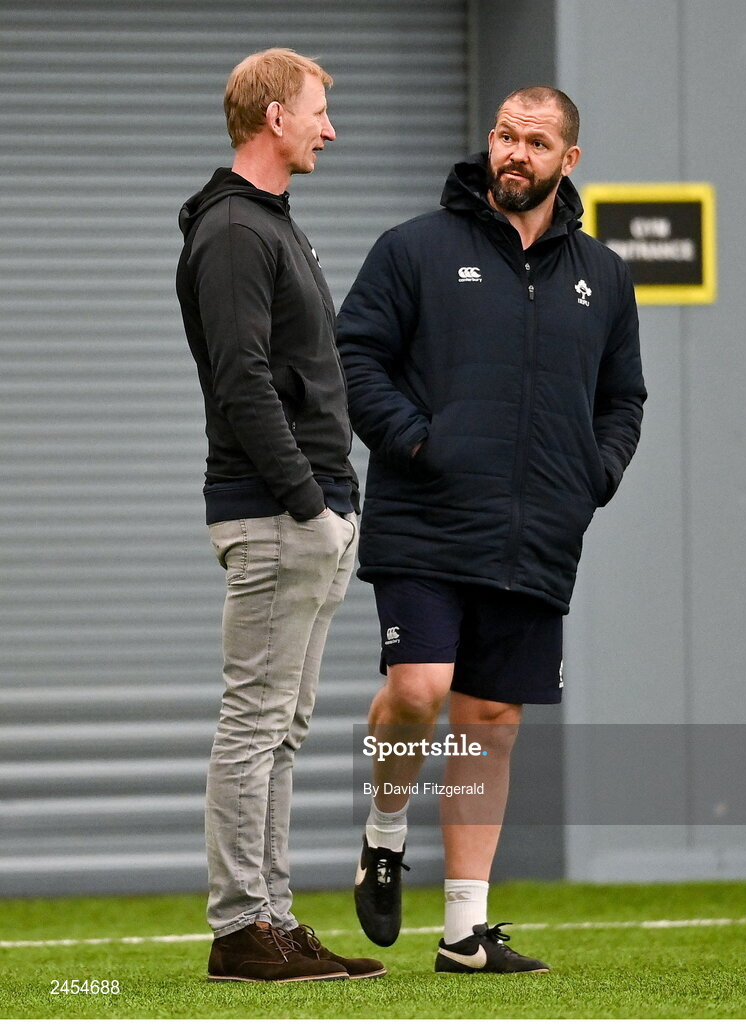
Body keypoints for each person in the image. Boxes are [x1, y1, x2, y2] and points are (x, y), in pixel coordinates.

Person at [337, 85, 646, 974]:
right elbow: (356, 354)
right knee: (421, 686)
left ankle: (464, 933)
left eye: (536, 141)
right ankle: (384, 836)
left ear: (568, 161)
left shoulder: (605, 277)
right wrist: (412, 439)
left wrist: (598, 473)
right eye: (506, 135)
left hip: (538, 530)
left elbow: (623, 398)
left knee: (491, 718)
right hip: (426, 515)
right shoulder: (414, 250)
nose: (515, 152)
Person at [176, 47, 384, 983]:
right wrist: (309, 501)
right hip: (275, 514)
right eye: (317, 113)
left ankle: (275, 919)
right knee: (256, 725)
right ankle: (239, 930)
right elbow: (243, 379)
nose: (328, 129)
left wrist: (334, 503)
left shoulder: (270, 223)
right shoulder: (231, 229)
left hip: (311, 513)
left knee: (283, 731)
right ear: (273, 119)